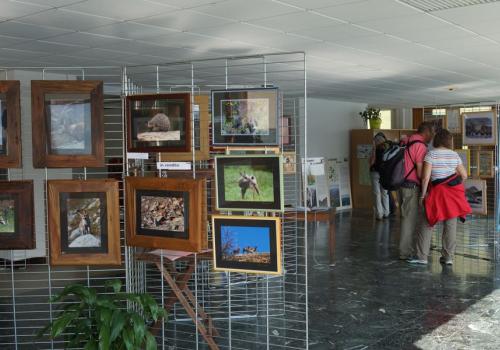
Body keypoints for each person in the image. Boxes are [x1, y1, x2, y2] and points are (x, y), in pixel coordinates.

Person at [408, 129, 471, 265]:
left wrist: (423, 195)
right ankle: (448, 257)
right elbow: (464, 175)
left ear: (436, 139)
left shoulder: (431, 155)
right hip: (452, 196)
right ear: (449, 141)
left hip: (436, 194)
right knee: (450, 225)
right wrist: (452, 183)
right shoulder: (454, 155)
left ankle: (421, 257)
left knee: (427, 223)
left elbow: (425, 178)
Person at [399, 122, 435, 260]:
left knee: (405, 216)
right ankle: (405, 252)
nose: (431, 137)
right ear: (426, 133)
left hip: (401, 184)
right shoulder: (419, 146)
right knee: (409, 219)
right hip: (411, 187)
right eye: (431, 134)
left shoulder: (406, 140)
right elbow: (420, 173)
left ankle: (406, 249)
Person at [369, 132, 390, 220]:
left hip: (375, 173)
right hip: (384, 173)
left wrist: (373, 150)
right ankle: (386, 212)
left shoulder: (376, 150)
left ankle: (380, 214)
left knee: (377, 194)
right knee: (384, 193)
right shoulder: (388, 149)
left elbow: (371, 163)